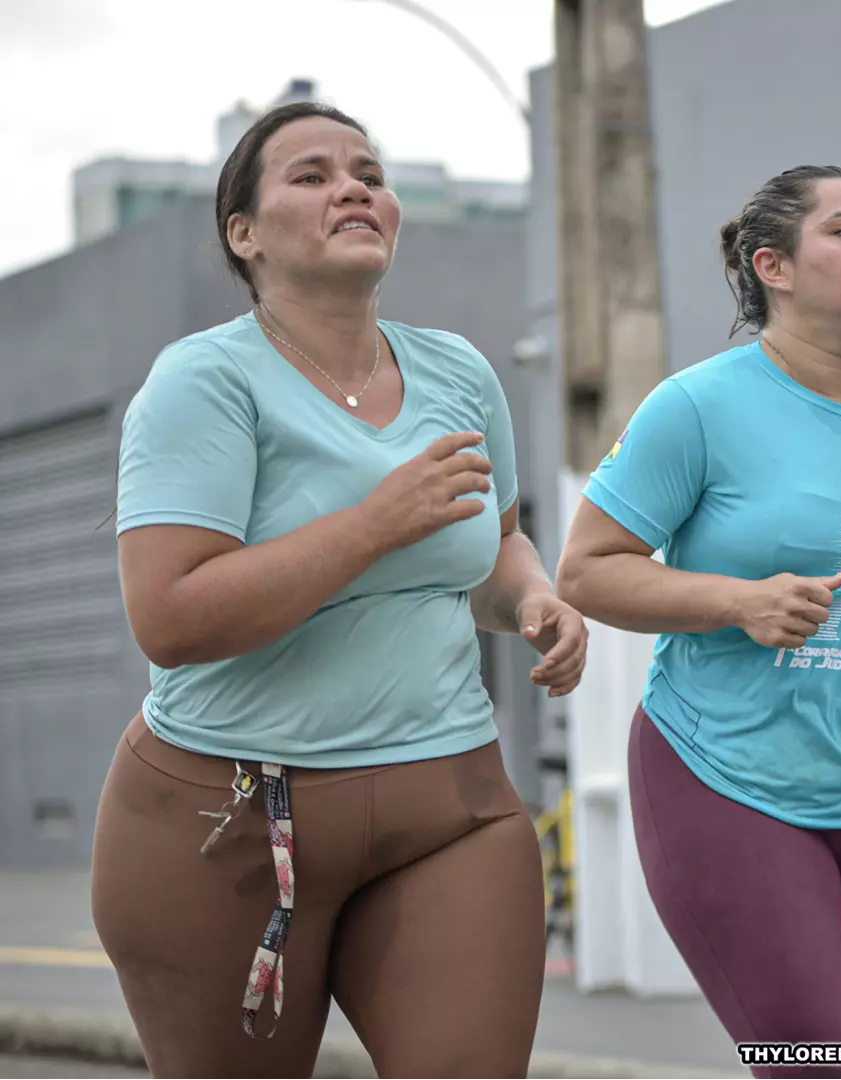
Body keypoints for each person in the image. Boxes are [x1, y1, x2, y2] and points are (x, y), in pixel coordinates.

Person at [92, 101, 588, 1080]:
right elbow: (171, 617)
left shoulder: (458, 370)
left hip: (449, 806)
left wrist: (533, 598)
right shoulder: (204, 382)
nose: (353, 189)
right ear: (244, 233)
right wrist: (373, 524)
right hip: (228, 822)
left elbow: (493, 550)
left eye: (369, 173)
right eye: (312, 176)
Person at [553, 165, 841, 1080]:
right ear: (772, 268)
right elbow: (585, 571)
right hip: (720, 773)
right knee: (816, 1064)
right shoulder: (697, 407)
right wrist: (738, 601)